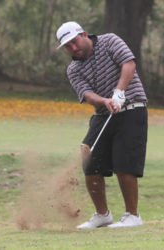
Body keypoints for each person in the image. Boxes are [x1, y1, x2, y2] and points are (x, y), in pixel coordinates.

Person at [56, 21, 148, 229]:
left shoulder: (110, 41)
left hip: (132, 107)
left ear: (84, 35)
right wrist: (105, 101)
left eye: (74, 42)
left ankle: (133, 216)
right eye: (68, 47)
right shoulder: (73, 69)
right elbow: (87, 94)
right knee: (89, 159)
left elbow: (129, 64)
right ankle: (102, 214)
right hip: (103, 113)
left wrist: (119, 92)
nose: (73, 48)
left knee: (124, 162)